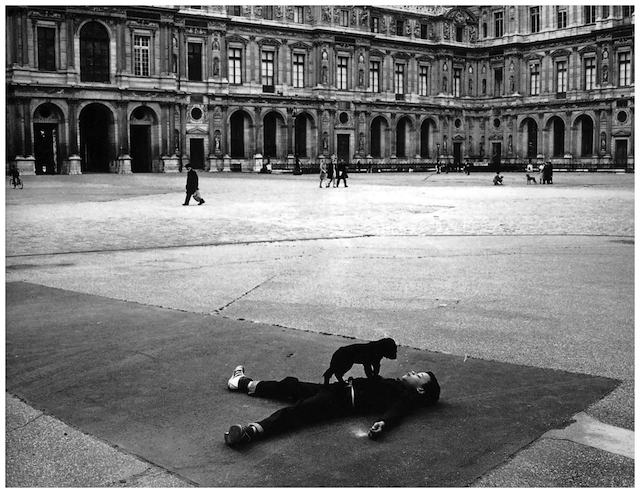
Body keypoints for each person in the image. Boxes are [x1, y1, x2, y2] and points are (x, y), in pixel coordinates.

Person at [224, 365, 440, 447]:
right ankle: (243, 382)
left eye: (418, 376)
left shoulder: (404, 396)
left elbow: (396, 412)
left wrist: (382, 423)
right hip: (337, 389)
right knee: (292, 386)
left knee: (299, 411)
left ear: (420, 390)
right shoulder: (397, 385)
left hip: (339, 401)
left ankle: (251, 432)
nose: (412, 372)